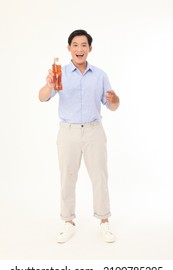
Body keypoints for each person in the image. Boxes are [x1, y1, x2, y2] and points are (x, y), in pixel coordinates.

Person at [39, 29, 120, 243]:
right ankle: (68, 222)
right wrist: (48, 84)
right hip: (68, 132)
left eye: (84, 45)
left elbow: (112, 106)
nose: (79, 49)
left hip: (94, 131)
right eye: (75, 45)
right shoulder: (59, 74)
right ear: (69, 49)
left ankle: (104, 221)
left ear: (90, 49)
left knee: (100, 177)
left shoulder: (101, 75)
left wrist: (115, 99)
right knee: (68, 177)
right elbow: (42, 97)